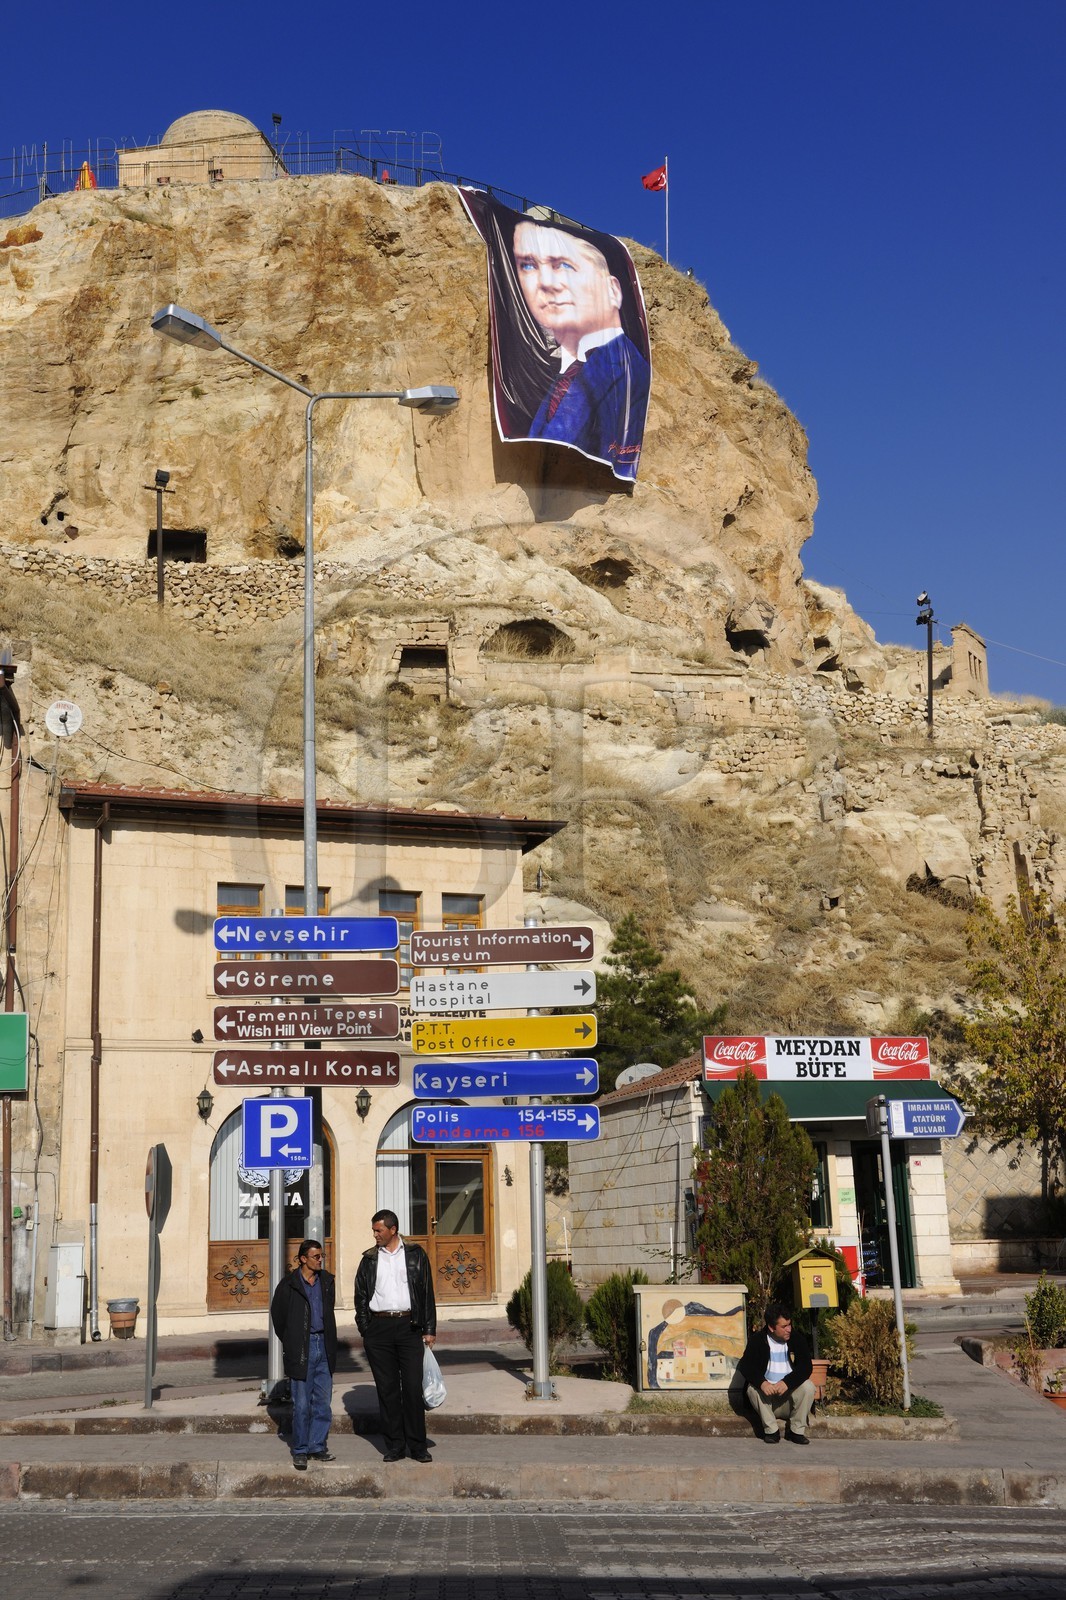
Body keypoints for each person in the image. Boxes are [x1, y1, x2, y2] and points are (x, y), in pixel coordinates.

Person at [512, 219, 650, 481]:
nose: (547, 283)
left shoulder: (625, 369)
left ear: (612, 291)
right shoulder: (560, 374)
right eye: (528, 266)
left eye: (564, 266)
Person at [355, 1208, 438, 1462]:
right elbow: (360, 1295)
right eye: (373, 1230)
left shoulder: (415, 1254)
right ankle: (394, 1445)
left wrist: (429, 1329)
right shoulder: (369, 1259)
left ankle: (417, 1445)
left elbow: (426, 1292)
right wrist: (365, 1328)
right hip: (378, 1330)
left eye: (378, 1230)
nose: (375, 1234)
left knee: (412, 1388)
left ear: (393, 1229)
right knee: (387, 1389)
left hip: (409, 1326)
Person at [269, 1238, 338, 1471]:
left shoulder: (327, 1281)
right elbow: (278, 1317)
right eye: (316, 1256)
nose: (321, 1260)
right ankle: (300, 1450)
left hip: (324, 1346)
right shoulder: (289, 1285)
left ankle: (317, 1446)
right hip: (302, 1348)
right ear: (302, 1259)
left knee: (323, 1402)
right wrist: (292, 1340)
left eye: (322, 1256)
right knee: (301, 1404)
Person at [737, 1302, 816, 1445]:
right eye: (784, 1326)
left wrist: (787, 1382)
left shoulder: (797, 1339)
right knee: (751, 1389)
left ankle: (797, 1431)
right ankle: (771, 1431)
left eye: (789, 1325)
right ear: (772, 1327)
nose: (789, 1329)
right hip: (767, 1403)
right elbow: (746, 1366)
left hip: (789, 1401)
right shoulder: (757, 1341)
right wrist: (762, 1383)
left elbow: (806, 1367)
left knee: (808, 1387)